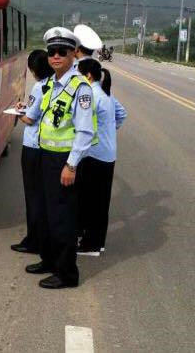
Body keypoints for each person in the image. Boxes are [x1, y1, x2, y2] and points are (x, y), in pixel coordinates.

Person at [24, 27, 97, 289]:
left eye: (61, 52)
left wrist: (71, 165)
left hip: (63, 160)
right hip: (45, 155)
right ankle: (49, 259)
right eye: (51, 52)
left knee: (62, 218)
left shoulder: (81, 88)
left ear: (73, 55)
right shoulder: (52, 84)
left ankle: (67, 273)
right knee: (44, 212)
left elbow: (85, 131)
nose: (55, 57)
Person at [76, 58, 127, 256]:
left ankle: (91, 245)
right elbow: (122, 114)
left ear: (88, 76)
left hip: (94, 155)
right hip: (108, 153)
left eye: (79, 74)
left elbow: (81, 124)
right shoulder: (106, 93)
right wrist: (109, 132)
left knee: (91, 201)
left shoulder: (90, 95)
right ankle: (97, 242)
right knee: (100, 200)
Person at [11, 50, 54, 254]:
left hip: (33, 146)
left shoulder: (39, 87)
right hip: (45, 146)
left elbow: (30, 118)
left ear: (34, 69)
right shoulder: (54, 84)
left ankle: (34, 240)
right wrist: (25, 107)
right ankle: (39, 238)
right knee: (41, 196)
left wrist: (19, 112)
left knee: (33, 196)